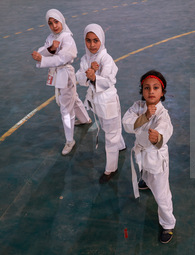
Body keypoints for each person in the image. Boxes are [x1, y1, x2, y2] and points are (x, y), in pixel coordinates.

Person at [122, 70, 176, 244]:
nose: (151, 91)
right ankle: (145, 180)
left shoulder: (162, 114)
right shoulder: (138, 106)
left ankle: (168, 224)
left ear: (162, 92)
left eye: (155, 88)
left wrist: (158, 137)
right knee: (144, 169)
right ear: (142, 91)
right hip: (142, 152)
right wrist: (144, 117)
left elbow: (165, 128)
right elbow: (127, 123)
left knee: (161, 195)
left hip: (156, 156)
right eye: (147, 88)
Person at [31, 9, 91, 155]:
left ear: (62, 20)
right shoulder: (51, 37)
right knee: (73, 98)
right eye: (50, 23)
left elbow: (63, 58)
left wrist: (43, 59)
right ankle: (85, 119)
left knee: (65, 108)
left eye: (56, 22)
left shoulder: (67, 38)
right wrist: (50, 49)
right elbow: (44, 49)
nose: (54, 26)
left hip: (65, 73)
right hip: (58, 74)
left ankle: (70, 140)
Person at [76, 24, 125, 183]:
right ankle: (121, 144)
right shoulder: (85, 59)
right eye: (88, 41)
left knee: (110, 136)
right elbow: (79, 79)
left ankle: (111, 168)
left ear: (101, 40)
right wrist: (89, 72)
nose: (92, 45)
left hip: (108, 102)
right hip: (96, 103)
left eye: (95, 40)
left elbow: (110, 80)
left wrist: (94, 77)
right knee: (109, 128)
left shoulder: (106, 59)